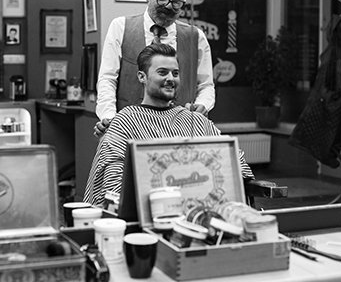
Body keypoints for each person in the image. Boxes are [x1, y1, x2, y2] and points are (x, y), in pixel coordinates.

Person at [84, 44, 254, 207]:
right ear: (142, 77)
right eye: (162, 72)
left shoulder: (195, 120)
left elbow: (234, 161)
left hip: (201, 210)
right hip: (150, 215)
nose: (170, 79)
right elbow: (113, 186)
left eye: (175, 73)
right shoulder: (125, 122)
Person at [95, 0, 215, 137]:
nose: (168, 5)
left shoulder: (196, 37)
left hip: (180, 133)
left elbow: (206, 85)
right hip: (130, 131)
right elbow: (107, 79)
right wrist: (109, 118)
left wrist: (203, 105)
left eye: (176, 0)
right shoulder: (120, 27)